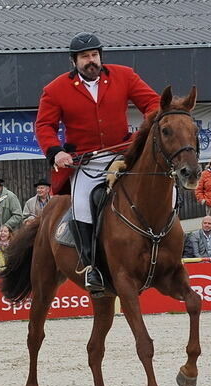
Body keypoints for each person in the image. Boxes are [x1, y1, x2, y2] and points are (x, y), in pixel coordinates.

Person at [36, 32, 160, 294]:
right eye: (84, 57)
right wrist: (56, 152)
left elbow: (153, 103)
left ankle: (165, 251)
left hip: (123, 155)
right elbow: (45, 125)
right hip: (86, 162)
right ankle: (93, 266)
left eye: (94, 55)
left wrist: (145, 132)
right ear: (74, 61)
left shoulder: (124, 75)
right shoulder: (55, 89)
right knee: (82, 205)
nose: (91, 60)